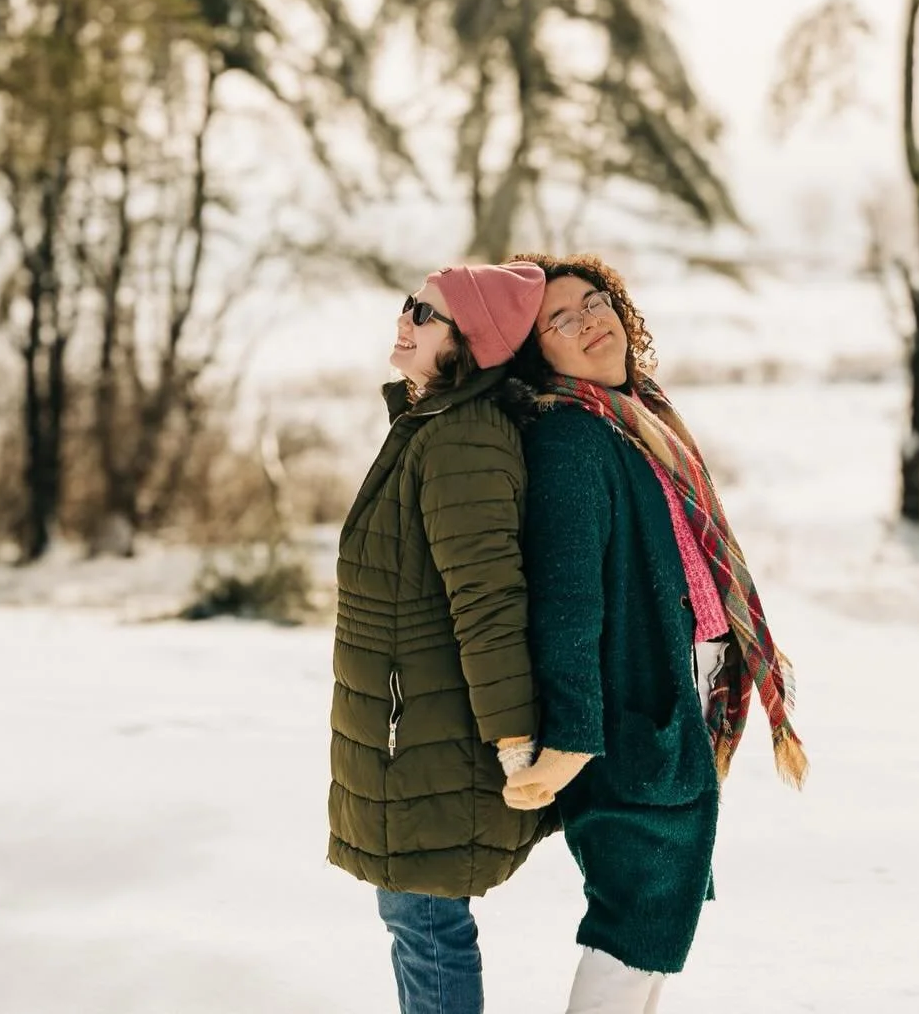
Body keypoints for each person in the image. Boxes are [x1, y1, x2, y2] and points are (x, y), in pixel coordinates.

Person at [501, 253, 807, 1013]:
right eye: (560, 321)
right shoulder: (571, 438)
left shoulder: (636, 418)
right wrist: (575, 735)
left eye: (595, 301)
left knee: (657, 916)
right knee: (634, 916)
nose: (589, 322)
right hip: (628, 709)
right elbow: (565, 604)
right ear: (539, 353)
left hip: (685, 688)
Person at [329, 261, 551, 1014]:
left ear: (471, 340)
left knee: (426, 921)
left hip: (435, 728)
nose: (405, 319)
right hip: (408, 723)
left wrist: (513, 738)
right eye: (407, 304)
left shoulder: (463, 440)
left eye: (425, 312)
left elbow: (488, 598)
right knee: (414, 917)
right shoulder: (433, 425)